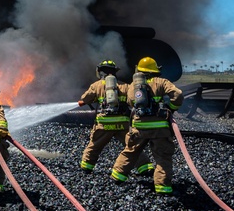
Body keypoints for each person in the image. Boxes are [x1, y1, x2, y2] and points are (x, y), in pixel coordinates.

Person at [110, 57, 184, 195]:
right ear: (155, 70)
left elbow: (130, 102)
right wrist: (171, 107)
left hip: (139, 127)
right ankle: (162, 187)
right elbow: (178, 95)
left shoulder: (133, 86)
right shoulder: (162, 82)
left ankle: (117, 176)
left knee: (130, 151)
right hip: (159, 129)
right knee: (163, 157)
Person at [78, 60, 153, 174]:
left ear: (100, 71)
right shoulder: (124, 86)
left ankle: (86, 166)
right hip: (122, 124)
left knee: (95, 145)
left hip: (104, 125)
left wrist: (85, 100)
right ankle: (144, 167)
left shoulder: (96, 86)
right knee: (131, 146)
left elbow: (84, 99)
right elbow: (133, 101)